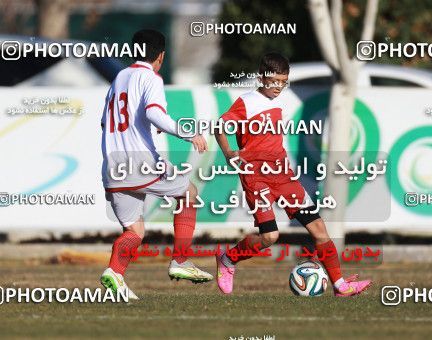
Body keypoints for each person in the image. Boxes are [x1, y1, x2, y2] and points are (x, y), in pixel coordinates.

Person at [214, 52, 372, 296]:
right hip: (257, 177)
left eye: (283, 82)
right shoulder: (246, 102)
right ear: (261, 78)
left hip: (284, 177)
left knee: (319, 229)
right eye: (274, 81)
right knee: (269, 236)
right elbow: (219, 126)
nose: (279, 87)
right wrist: (229, 153)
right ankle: (227, 260)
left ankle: (340, 286)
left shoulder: (279, 101)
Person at [100, 29, 212, 299]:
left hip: (113, 166)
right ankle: (181, 261)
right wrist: (188, 133)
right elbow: (153, 112)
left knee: (135, 231)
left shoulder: (119, 77)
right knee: (190, 194)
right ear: (161, 56)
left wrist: (145, 126)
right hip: (140, 162)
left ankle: (113, 272)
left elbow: (106, 122)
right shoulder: (150, 76)